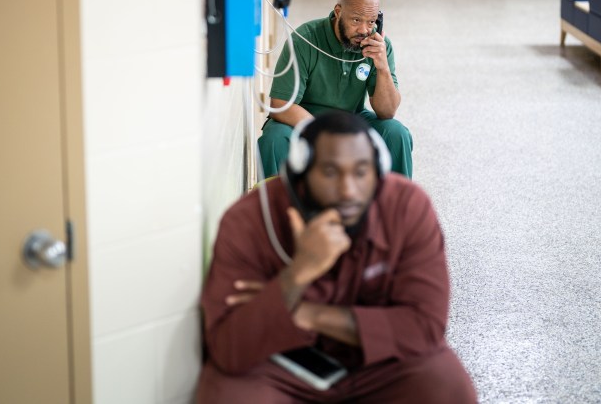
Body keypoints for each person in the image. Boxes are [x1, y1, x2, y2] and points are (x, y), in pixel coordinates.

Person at [196, 111, 477, 403]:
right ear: (299, 175)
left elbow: (424, 327)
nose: (348, 190)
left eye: (361, 172)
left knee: (446, 385)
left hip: (381, 365)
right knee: (226, 394)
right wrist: (299, 271)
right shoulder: (251, 218)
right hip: (280, 367)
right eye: (330, 172)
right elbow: (228, 348)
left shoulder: (407, 206)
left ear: (378, 173)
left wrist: (305, 313)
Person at [258, 0, 414, 178]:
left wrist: (382, 67)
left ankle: (395, 207)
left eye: (372, 21)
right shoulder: (304, 40)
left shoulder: (378, 46)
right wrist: (324, 133)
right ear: (338, 11)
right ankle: (276, 207)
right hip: (303, 118)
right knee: (274, 139)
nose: (364, 30)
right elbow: (281, 104)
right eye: (356, 20)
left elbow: (387, 111)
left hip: (351, 118)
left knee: (396, 133)